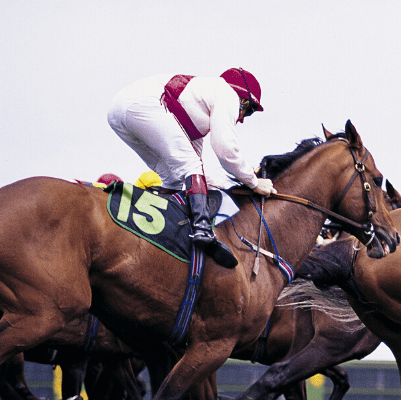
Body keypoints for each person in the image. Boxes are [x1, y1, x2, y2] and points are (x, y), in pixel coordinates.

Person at [107, 67, 275, 268]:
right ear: (244, 100)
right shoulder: (228, 94)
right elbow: (226, 149)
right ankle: (202, 230)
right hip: (142, 104)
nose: (242, 119)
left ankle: (160, 230)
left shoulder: (197, 109)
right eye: (249, 111)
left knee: (172, 177)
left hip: (118, 112)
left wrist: (217, 185)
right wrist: (254, 182)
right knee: (189, 166)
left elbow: (196, 172)